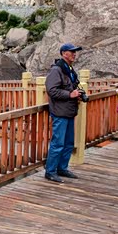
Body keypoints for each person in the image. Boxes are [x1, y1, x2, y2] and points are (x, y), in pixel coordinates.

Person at [44, 43, 84, 183]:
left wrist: (76, 95)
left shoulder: (69, 69)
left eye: (75, 52)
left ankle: (62, 168)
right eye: (71, 51)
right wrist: (70, 94)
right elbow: (51, 90)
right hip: (60, 112)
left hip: (69, 111)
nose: (74, 54)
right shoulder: (56, 70)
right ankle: (50, 171)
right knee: (58, 143)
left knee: (68, 143)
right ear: (63, 53)